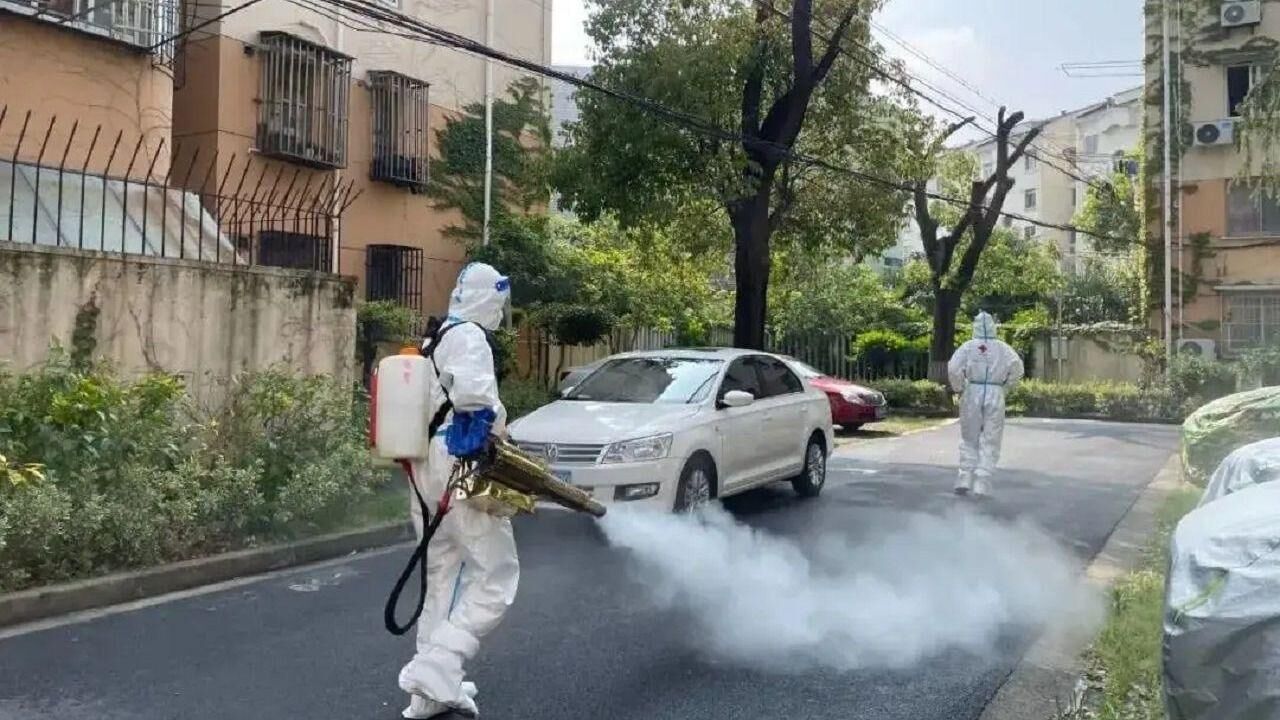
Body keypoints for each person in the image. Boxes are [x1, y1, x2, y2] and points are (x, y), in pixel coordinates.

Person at [400, 262, 517, 719]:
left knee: (441, 576)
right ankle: (441, 663)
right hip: (458, 461)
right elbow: (474, 400)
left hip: (424, 463)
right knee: (497, 575)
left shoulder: (438, 337)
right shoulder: (469, 337)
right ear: (488, 299)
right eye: (500, 304)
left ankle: (426, 697)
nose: (500, 314)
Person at [948, 310, 1024, 498]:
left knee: (969, 436)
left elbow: (953, 368)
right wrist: (1005, 388)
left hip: (972, 391)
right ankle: (982, 481)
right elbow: (1018, 369)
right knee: (992, 436)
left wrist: (959, 387)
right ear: (993, 327)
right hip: (994, 392)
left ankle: (964, 477)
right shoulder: (1003, 348)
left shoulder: (968, 347)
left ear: (974, 327)